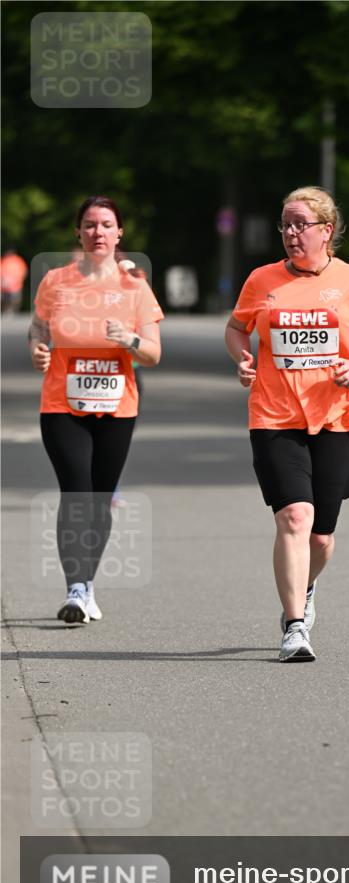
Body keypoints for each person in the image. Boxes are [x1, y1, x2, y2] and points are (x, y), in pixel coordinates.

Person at [225, 186, 349, 662]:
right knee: (294, 517)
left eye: (301, 224)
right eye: (285, 225)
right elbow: (237, 327)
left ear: (327, 230)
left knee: (321, 534)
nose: (291, 233)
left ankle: (307, 585)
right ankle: (294, 626)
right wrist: (242, 357)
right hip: (275, 415)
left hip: (337, 416)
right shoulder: (262, 280)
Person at [29, 196, 163, 625]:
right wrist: (37, 350)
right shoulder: (56, 281)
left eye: (106, 225)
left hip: (116, 406)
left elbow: (154, 355)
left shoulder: (135, 288)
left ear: (119, 233)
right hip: (61, 404)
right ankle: (75, 588)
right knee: (76, 492)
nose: (98, 232)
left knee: (100, 499)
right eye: (89, 225)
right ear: (78, 233)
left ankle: (87, 584)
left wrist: (129, 339)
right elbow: (38, 327)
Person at [1, 248, 28, 313]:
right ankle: (7, 311)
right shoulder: (4, 260)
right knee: (6, 300)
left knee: (14, 300)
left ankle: (12, 311)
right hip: (5, 286)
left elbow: (23, 272)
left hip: (14, 286)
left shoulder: (17, 261)